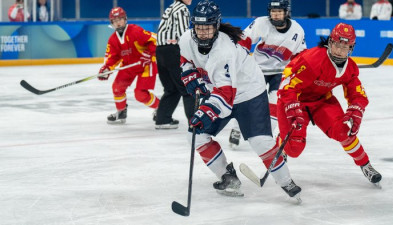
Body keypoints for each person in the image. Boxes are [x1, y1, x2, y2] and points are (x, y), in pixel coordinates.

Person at [179, 0, 301, 200]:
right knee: (195, 136)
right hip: (219, 91)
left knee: (260, 142)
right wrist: (189, 74)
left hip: (248, 93)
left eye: (207, 28)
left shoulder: (224, 51)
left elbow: (226, 95)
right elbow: (186, 61)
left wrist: (204, 112)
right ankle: (228, 178)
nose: (202, 33)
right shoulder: (186, 39)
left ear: (216, 26)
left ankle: (286, 181)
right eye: (198, 27)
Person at [276, 23, 382, 187]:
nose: (340, 50)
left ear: (351, 48)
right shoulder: (310, 60)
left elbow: (357, 93)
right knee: (294, 149)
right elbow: (286, 85)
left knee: (343, 131)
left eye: (345, 46)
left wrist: (356, 109)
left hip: (321, 101)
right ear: (330, 42)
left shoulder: (350, 68)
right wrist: (291, 107)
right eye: (337, 45)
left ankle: (365, 164)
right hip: (294, 101)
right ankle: (281, 143)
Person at [228, 0, 306, 148]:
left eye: (279, 12)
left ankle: (268, 136)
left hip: (280, 73)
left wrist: (299, 72)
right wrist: (239, 59)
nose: (275, 15)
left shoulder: (297, 30)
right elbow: (244, 40)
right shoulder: (261, 23)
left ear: (286, 12)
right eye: (273, 11)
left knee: (275, 103)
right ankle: (236, 129)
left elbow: (300, 56)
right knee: (247, 101)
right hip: (257, 70)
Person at [98, 7, 160, 124]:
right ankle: (121, 112)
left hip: (145, 65)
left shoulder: (135, 31)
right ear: (112, 23)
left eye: (120, 19)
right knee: (117, 87)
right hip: (128, 66)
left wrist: (149, 53)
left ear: (125, 19)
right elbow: (113, 58)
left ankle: (161, 108)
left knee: (140, 95)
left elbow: (155, 40)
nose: (118, 22)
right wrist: (106, 69)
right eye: (115, 21)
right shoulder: (112, 40)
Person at [154, 0, 195, 129]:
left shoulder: (171, 7)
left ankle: (162, 119)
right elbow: (183, 35)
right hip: (172, 51)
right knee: (187, 87)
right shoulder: (182, 8)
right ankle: (195, 124)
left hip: (160, 51)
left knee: (171, 88)